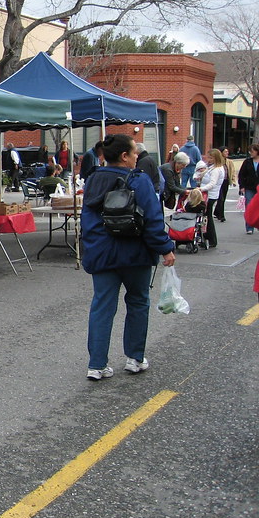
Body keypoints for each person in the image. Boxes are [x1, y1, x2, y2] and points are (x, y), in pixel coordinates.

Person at [81, 133, 175, 381]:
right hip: (135, 253)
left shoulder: (93, 179)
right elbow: (153, 220)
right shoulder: (139, 180)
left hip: (102, 253)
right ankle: (135, 358)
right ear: (124, 156)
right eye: (134, 153)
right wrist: (165, 248)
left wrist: (92, 248)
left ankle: (97, 364)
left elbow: (87, 221)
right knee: (138, 302)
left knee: (102, 306)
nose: (137, 156)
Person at [194, 148, 225, 248]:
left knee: (208, 217)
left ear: (216, 158)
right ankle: (207, 237)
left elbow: (212, 183)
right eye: (208, 157)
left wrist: (201, 189)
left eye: (211, 158)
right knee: (206, 216)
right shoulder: (212, 168)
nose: (209, 159)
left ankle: (211, 239)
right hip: (209, 194)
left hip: (210, 195)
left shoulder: (216, 170)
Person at [238, 143, 259, 234]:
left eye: (252, 151)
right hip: (249, 187)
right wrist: (242, 186)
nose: (250, 153)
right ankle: (249, 227)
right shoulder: (247, 162)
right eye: (250, 151)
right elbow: (241, 174)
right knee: (249, 206)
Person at [215, 147, 235, 222]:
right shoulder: (218, 161)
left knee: (223, 199)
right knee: (221, 199)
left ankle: (217, 212)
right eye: (225, 152)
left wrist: (233, 181)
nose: (227, 153)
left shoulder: (229, 162)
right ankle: (221, 215)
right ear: (221, 153)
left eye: (227, 151)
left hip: (225, 181)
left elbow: (232, 171)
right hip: (218, 182)